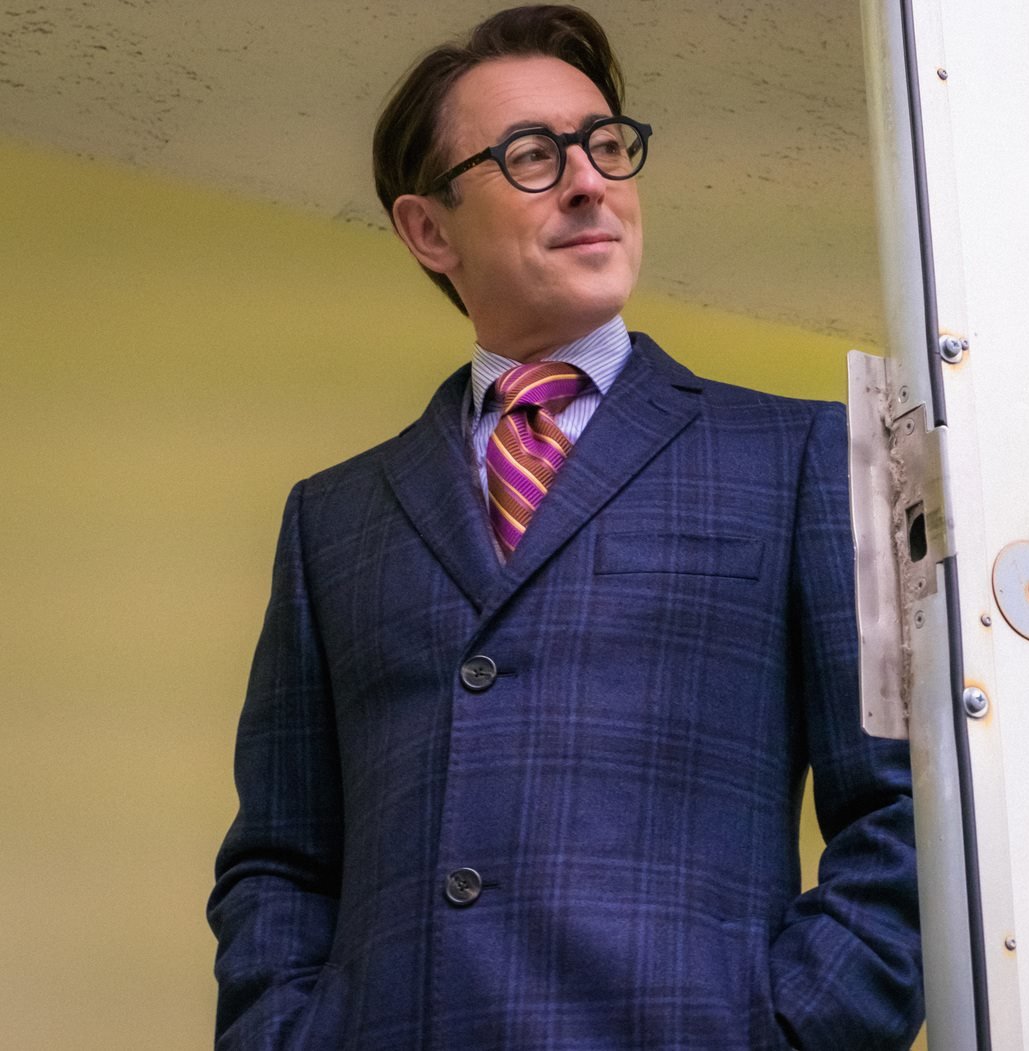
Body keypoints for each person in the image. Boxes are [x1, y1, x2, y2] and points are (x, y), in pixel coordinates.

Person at [207, 6, 922, 1049]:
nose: (590, 180)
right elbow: (280, 856)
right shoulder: (333, 519)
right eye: (532, 155)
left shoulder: (805, 454)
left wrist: (788, 1031)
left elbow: (903, 807)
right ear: (429, 229)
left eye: (606, 144)